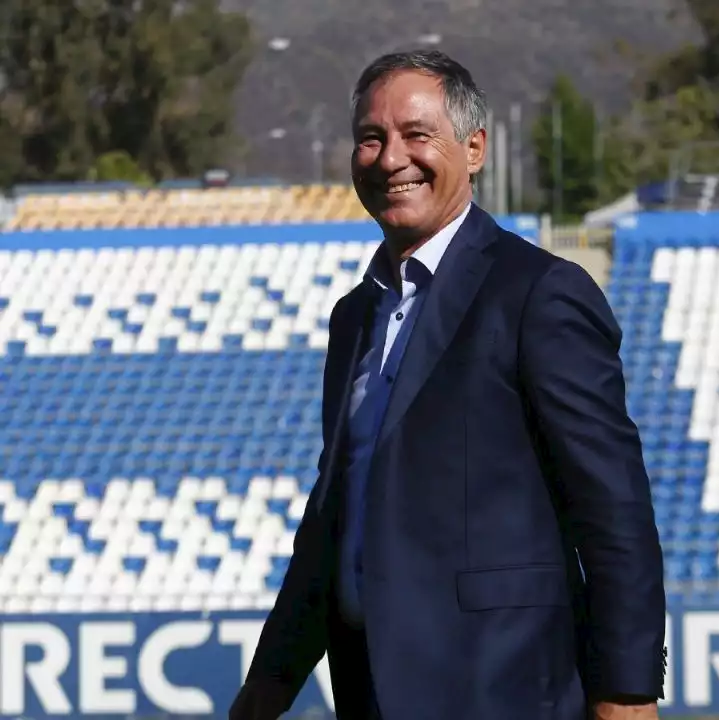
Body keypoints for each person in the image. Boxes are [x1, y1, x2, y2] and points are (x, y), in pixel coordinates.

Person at [230, 49, 666, 720]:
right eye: (370, 138)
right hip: (372, 695)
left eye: (415, 134)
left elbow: (613, 507)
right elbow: (332, 520)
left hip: (507, 692)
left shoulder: (538, 294)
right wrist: (272, 679)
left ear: (474, 148)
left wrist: (627, 691)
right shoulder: (354, 316)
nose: (389, 157)